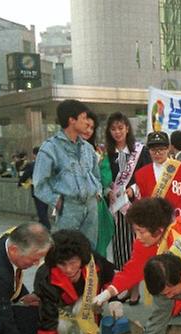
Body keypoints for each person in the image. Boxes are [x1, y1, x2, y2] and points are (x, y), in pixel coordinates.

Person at [92, 197, 181, 307]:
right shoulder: (145, 240)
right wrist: (107, 293)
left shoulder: (180, 239)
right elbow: (134, 269)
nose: (137, 237)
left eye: (141, 232)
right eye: (135, 231)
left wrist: (171, 306)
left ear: (159, 231)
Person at [33, 99, 103, 249]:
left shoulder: (87, 148)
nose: (86, 123)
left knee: (89, 250)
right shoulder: (50, 148)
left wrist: (98, 191)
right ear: (72, 120)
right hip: (69, 206)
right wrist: (56, 200)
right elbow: (39, 183)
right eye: (83, 118)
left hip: (91, 206)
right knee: (66, 251)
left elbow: (96, 175)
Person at [34, 230, 117, 334]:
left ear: (82, 259)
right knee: (62, 328)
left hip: (86, 303)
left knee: (82, 313)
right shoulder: (45, 277)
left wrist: (114, 300)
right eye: (62, 264)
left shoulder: (95, 262)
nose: (68, 269)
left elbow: (109, 278)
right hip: (60, 308)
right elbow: (46, 315)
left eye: (73, 263)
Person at [105, 111, 151, 304]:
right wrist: (108, 189)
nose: (117, 132)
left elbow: (147, 175)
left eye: (121, 128)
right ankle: (124, 286)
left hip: (134, 207)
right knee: (120, 249)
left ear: (127, 128)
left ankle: (135, 290)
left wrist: (132, 190)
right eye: (113, 128)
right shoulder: (106, 154)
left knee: (135, 248)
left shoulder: (140, 151)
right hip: (116, 208)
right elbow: (103, 176)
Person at [133, 131, 181, 216]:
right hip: (152, 223)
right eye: (153, 150)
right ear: (149, 151)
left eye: (161, 149)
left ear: (168, 148)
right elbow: (140, 203)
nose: (157, 153)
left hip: (177, 221)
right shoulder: (140, 174)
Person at [82, 110, 114, 258]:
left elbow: (105, 177)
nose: (88, 130)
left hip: (96, 202)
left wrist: (105, 190)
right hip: (75, 204)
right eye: (85, 126)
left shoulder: (99, 151)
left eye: (92, 127)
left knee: (97, 245)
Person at [18, 147, 50, 229]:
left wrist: (20, 183)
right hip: (48, 190)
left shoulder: (32, 165)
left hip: (37, 191)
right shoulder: (48, 163)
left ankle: (46, 227)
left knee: (41, 210)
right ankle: (43, 225)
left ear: (34, 154)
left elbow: (25, 175)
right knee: (44, 209)